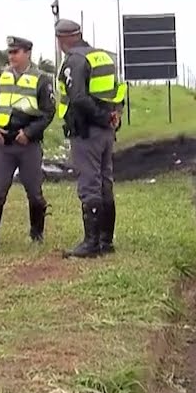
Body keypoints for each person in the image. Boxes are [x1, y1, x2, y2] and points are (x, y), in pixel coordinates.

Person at [54, 18, 127, 258]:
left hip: (88, 131)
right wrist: (112, 115)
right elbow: (117, 91)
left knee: (89, 184)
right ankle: (106, 240)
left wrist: (101, 118)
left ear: (62, 39)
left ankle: (91, 243)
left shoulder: (74, 60)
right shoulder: (103, 57)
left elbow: (78, 99)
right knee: (105, 182)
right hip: (106, 131)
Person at [0, 35, 57, 253]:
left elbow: (48, 112)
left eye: (16, 52)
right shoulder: (2, 77)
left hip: (28, 144)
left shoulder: (41, 79)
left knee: (34, 192)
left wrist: (30, 133)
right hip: (4, 143)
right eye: (10, 52)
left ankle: (36, 234)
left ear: (27, 53)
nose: (11, 56)